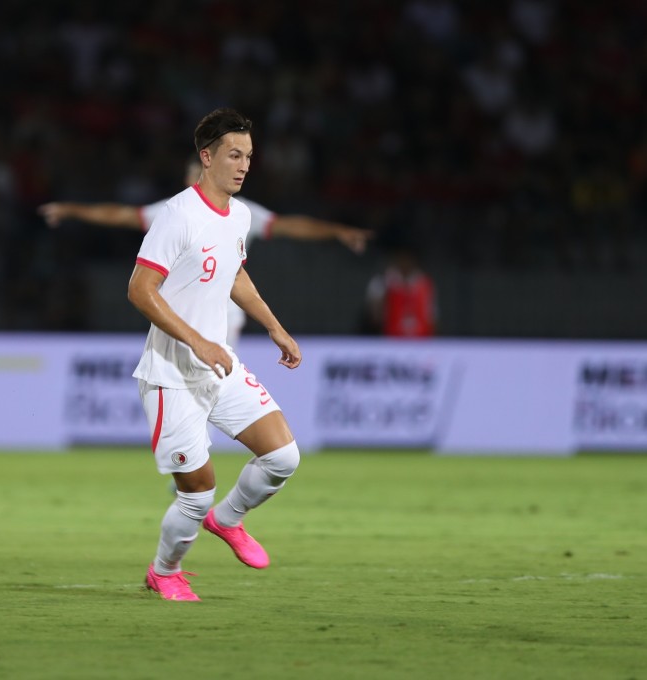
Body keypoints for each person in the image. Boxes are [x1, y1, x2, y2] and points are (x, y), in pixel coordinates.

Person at [127, 108, 303, 602]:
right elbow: (141, 290)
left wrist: (275, 327)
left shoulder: (240, 214)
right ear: (206, 157)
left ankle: (226, 521)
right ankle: (164, 570)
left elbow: (235, 275)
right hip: (171, 376)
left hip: (218, 367)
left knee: (283, 456)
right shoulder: (178, 215)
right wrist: (197, 341)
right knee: (195, 491)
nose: (243, 165)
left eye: (248, 155)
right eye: (233, 154)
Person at [39, 159, 373, 347]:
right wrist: (71, 210)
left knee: (207, 388)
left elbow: (289, 226)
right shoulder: (173, 212)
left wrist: (337, 231)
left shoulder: (242, 212)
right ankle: (189, 466)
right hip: (177, 313)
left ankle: (190, 466)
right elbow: (121, 215)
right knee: (194, 394)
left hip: (224, 314)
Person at [365, 245, 437, 337]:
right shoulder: (384, 281)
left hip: (421, 339)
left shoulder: (425, 283)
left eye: (408, 258)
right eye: (401, 258)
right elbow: (374, 317)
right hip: (392, 338)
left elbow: (432, 317)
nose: (405, 262)